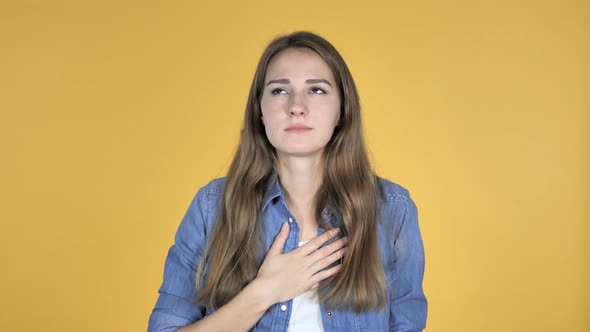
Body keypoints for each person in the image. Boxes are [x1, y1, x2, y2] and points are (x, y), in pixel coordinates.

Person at [148, 31, 427, 332]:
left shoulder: (392, 210)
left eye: (317, 90)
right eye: (279, 91)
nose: (296, 106)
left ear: (342, 112)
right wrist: (263, 292)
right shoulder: (212, 207)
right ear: (260, 112)